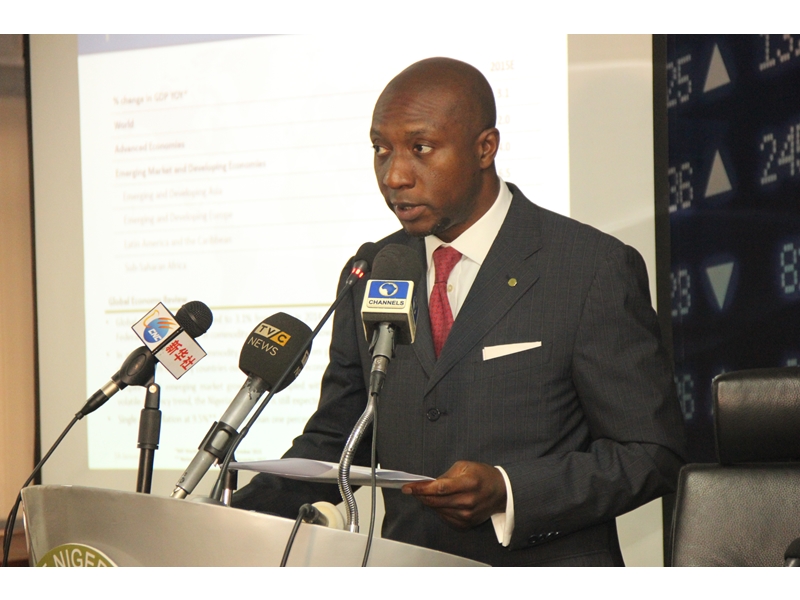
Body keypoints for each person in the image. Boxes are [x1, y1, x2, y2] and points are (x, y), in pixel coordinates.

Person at [232, 57, 687, 566]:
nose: (394, 175)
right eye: (381, 149)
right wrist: (228, 514)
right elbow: (339, 438)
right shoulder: (374, 269)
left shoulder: (589, 268)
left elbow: (651, 453)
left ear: (484, 148)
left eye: (420, 148)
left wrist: (509, 490)